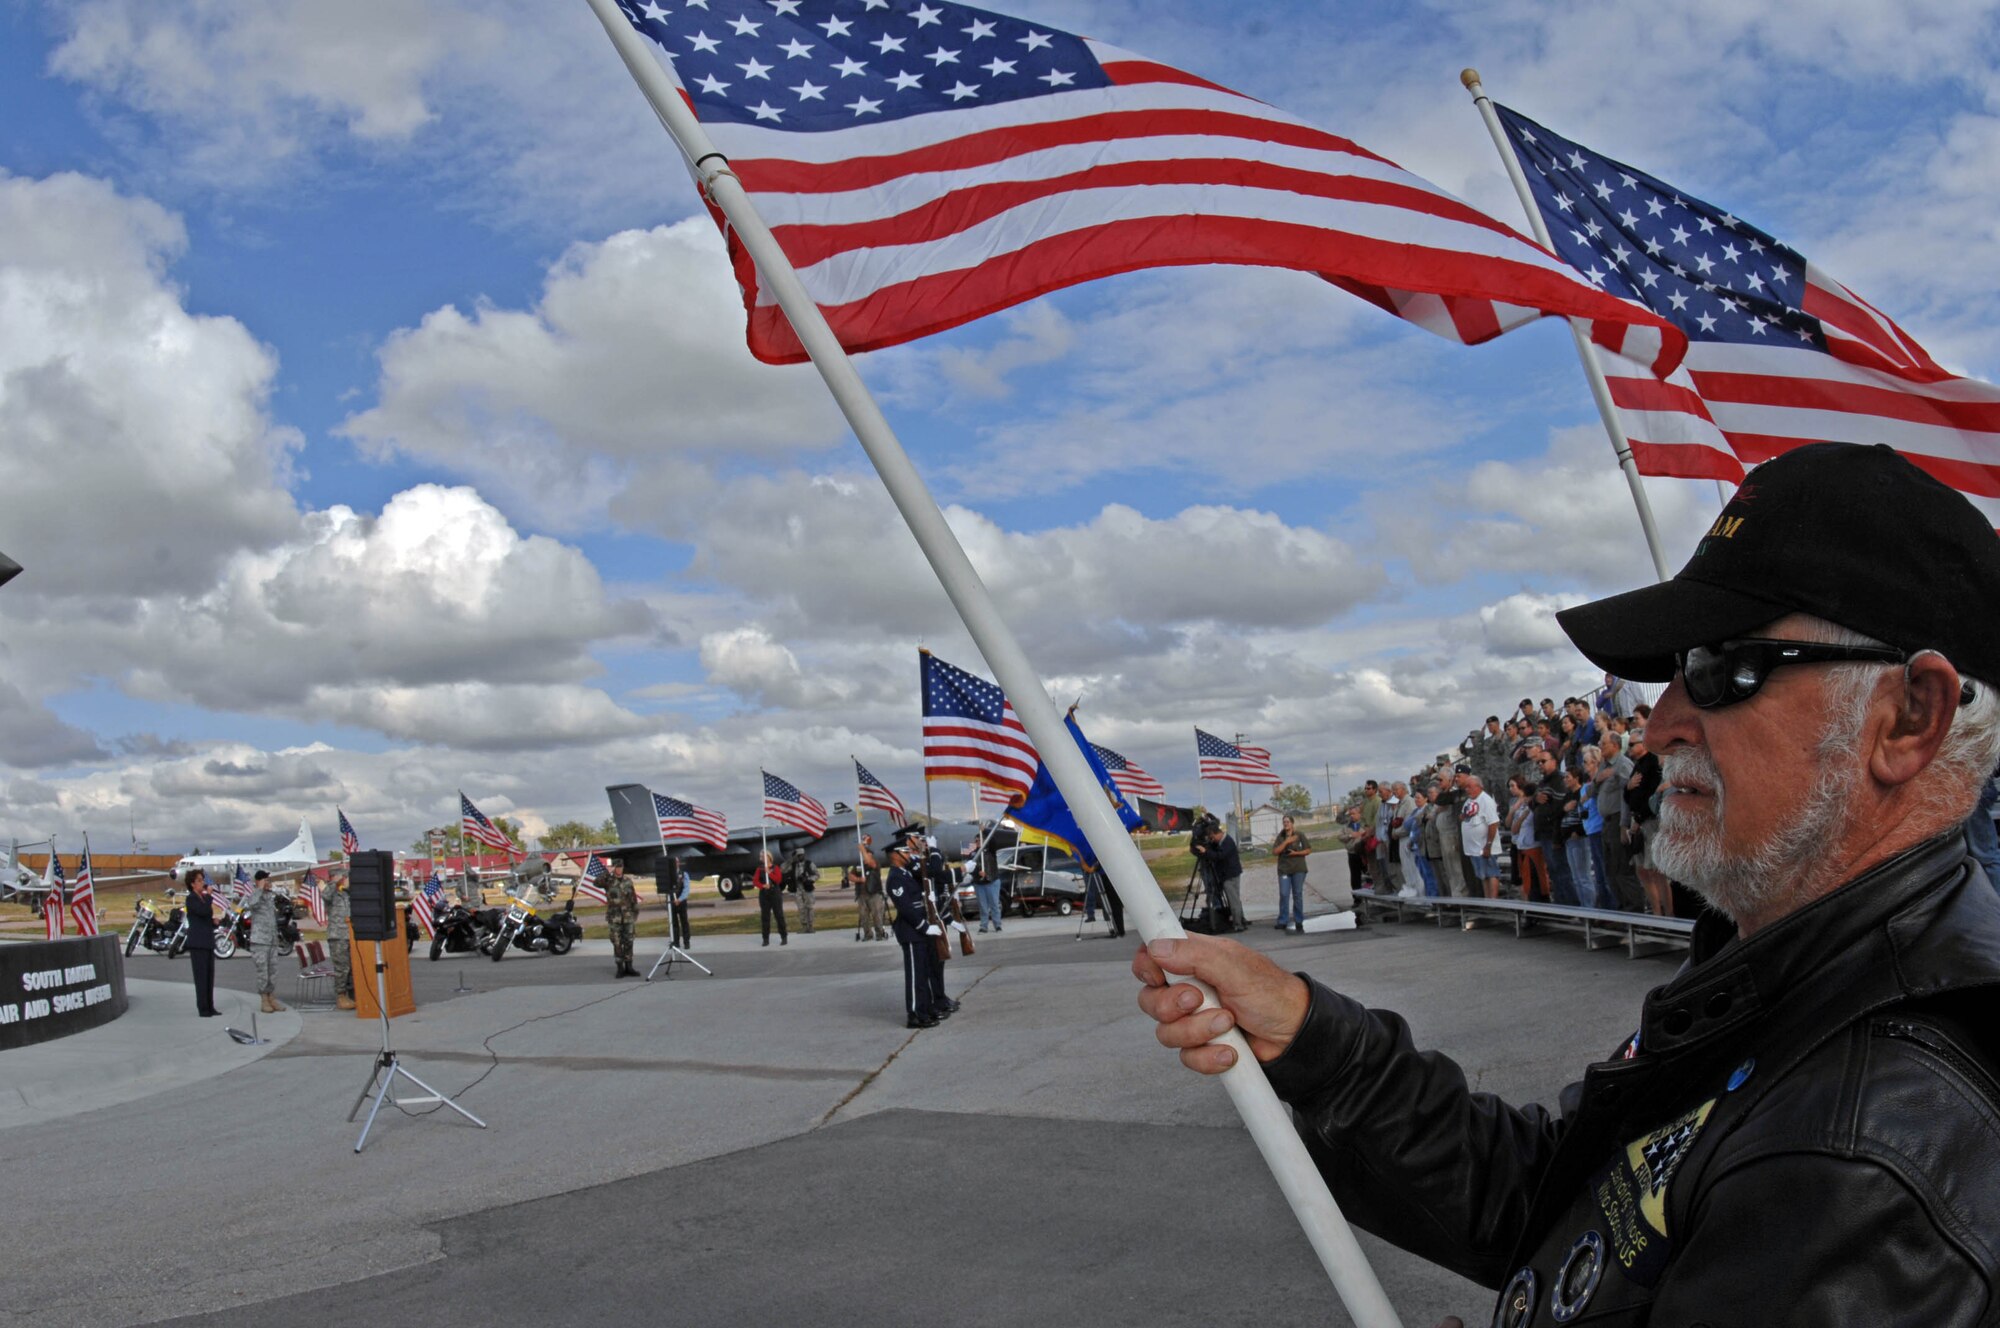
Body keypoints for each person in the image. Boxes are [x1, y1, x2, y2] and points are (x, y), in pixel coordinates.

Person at [1135, 442, 2000, 1323]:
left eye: (1722, 669)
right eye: (1671, 674)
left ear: (1910, 718)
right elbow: (1557, 1205)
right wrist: (1318, 1046)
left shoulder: (1873, 1155)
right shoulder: (1785, 972)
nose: (1662, 722)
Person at [884, 831, 937, 1028]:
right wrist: (924, 927)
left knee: (922, 975)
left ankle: (924, 1010)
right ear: (896, 855)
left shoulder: (906, 874)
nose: (909, 854)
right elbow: (906, 907)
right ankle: (914, 1015)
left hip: (919, 932)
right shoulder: (896, 877)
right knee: (915, 976)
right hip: (912, 932)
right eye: (905, 851)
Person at [244, 870, 286, 1013]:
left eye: (269, 880)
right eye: (266, 880)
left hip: (272, 940)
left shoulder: (270, 897)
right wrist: (260, 888)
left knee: (273, 971)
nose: (269, 882)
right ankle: (264, 1000)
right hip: (260, 941)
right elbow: (251, 904)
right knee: (263, 972)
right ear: (259, 881)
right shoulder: (255, 895)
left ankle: (272, 997)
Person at [1458, 774, 1501, 911]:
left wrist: (1488, 845)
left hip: (1485, 846)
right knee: (1483, 876)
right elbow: (1463, 816)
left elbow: (1493, 824)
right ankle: (1487, 901)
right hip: (1474, 848)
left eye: (1469, 787)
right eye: (1466, 787)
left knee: (1491, 873)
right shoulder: (1469, 801)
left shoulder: (1486, 800)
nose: (1467, 789)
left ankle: (1493, 902)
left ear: (1479, 786)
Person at [181, 868, 220, 1017]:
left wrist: (213, 922)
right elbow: (202, 911)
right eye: (199, 880)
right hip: (198, 942)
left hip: (207, 940)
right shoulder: (191, 899)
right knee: (201, 976)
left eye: (202, 880)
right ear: (192, 884)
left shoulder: (202, 899)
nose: (202, 883)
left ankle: (210, 1006)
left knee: (209, 976)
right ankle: (203, 1008)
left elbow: (203, 917)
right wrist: (209, 895)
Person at [1196, 819, 1246, 931]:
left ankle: (1238, 924)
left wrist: (1206, 852)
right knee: (1235, 899)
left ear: (1216, 833)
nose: (1212, 840)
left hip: (1230, 875)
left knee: (1233, 900)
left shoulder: (1227, 842)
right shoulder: (1221, 842)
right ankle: (1241, 920)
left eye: (1212, 837)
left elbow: (1219, 856)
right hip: (1228, 874)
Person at [1506, 775, 1548, 903]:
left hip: (1533, 847)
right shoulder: (1520, 807)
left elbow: (1518, 826)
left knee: (1537, 880)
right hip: (1521, 846)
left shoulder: (1533, 808)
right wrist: (1515, 812)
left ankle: (1540, 905)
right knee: (1525, 879)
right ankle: (1529, 907)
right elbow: (1512, 827)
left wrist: (1523, 816)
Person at [1272, 814, 1310, 931]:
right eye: (1284, 822)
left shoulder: (1300, 835)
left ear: (1292, 823)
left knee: (1297, 894)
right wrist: (1286, 842)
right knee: (1284, 894)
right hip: (1284, 869)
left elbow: (1308, 850)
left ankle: (1298, 920)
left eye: (1288, 822)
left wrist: (1295, 853)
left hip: (1298, 869)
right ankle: (1283, 920)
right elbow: (1275, 851)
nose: (1286, 824)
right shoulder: (1281, 836)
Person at [325, 865, 355, 1010]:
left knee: (351, 968)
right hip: (337, 936)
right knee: (342, 968)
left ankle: (352, 994)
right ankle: (341, 996)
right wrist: (335, 881)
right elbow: (325, 895)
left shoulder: (346, 894)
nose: (348, 880)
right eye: (345, 877)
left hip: (350, 935)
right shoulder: (331, 894)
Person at [604, 858, 640, 977]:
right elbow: (596, 882)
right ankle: (620, 967)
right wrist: (607, 872)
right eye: (617, 867)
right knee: (617, 942)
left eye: (620, 867)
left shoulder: (628, 881)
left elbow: (633, 898)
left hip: (628, 916)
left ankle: (629, 966)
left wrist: (635, 912)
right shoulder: (608, 880)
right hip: (615, 917)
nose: (619, 869)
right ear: (614, 868)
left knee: (629, 941)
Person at [855, 835, 888, 941]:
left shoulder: (875, 864)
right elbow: (851, 875)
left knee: (877, 915)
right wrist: (859, 879)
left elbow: (870, 862)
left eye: (868, 855)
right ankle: (867, 934)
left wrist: (862, 849)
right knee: (864, 916)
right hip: (862, 895)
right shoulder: (859, 866)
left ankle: (879, 934)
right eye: (864, 855)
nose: (865, 857)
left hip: (874, 894)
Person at [753, 851, 787, 946]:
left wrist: (769, 873)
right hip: (764, 895)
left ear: (768, 857)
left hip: (775, 893)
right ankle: (765, 939)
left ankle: (784, 937)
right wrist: (763, 886)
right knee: (765, 917)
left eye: (763, 856)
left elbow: (778, 880)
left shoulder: (775, 868)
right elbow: (755, 881)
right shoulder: (759, 869)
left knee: (779, 915)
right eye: (760, 856)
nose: (761, 857)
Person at [969, 852, 1003, 934]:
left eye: (979, 840)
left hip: (992, 881)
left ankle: (997, 925)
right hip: (979, 883)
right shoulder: (973, 854)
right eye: (976, 840)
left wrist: (987, 873)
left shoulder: (990, 851)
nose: (978, 842)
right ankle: (984, 926)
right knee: (983, 906)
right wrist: (978, 872)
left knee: (994, 904)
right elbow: (970, 868)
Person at [788, 849, 818, 934]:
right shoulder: (793, 865)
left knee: (810, 907)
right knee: (801, 909)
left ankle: (811, 926)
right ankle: (804, 927)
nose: (800, 856)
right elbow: (783, 868)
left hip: (807, 889)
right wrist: (790, 859)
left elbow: (817, 874)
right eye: (798, 855)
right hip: (798, 890)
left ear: (804, 855)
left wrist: (808, 879)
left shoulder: (809, 864)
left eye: (802, 855)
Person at [667, 858, 692, 951]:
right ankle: (676, 942)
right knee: (674, 923)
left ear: (678, 863)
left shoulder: (684, 874)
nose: (675, 864)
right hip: (672, 902)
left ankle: (686, 942)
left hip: (681, 902)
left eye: (676, 862)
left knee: (684, 922)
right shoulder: (669, 875)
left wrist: (680, 899)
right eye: (674, 862)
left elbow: (686, 889)